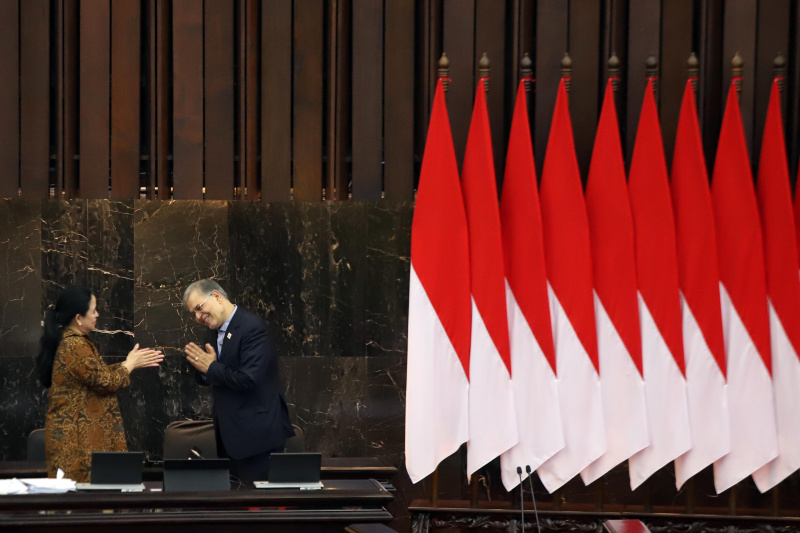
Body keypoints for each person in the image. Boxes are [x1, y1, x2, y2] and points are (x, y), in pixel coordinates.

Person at [37, 285, 164, 482]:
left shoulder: (74, 341)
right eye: (93, 310)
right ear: (78, 317)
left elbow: (96, 375)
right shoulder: (75, 345)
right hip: (78, 447)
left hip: (80, 443)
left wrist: (128, 364)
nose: (97, 315)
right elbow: (106, 382)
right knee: (82, 507)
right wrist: (129, 365)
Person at [183, 279, 294, 485]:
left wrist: (210, 368)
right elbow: (209, 372)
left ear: (216, 296)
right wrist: (205, 370)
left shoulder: (253, 328)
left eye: (199, 308)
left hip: (258, 438)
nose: (198, 317)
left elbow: (249, 379)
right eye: (193, 314)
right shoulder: (212, 330)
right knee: (233, 506)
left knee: (256, 509)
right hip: (229, 436)